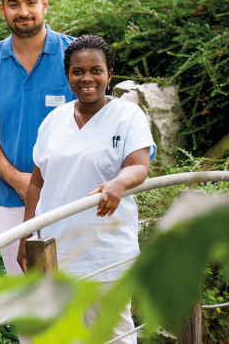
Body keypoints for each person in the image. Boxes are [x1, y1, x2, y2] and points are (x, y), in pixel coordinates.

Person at [18, 35, 157, 343]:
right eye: (77, 71)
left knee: (112, 333)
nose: (87, 78)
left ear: (110, 74)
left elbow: (139, 165)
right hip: (55, 248)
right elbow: (37, 183)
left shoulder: (127, 116)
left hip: (105, 250)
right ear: (67, 76)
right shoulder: (53, 121)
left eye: (96, 70)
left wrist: (118, 182)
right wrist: (26, 236)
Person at [0, 0, 75, 278]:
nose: (23, 11)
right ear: (2, 9)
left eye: (30, 2)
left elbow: (98, 126)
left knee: (79, 303)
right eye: (13, 4)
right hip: (12, 202)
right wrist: (16, 179)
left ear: (44, 4)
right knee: (29, 305)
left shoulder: (75, 57)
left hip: (70, 198)